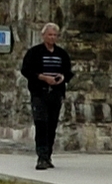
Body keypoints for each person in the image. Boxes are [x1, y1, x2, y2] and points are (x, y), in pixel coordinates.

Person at [18, 22, 74, 169]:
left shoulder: (61, 54)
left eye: (55, 35)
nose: (52, 37)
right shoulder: (34, 52)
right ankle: (41, 157)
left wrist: (62, 78)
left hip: (55, 93)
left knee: (52, 125)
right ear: (43, 36)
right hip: (40, 93)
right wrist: (42, 77)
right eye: (49, 34)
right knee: (41, 123)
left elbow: (68, 71)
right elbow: (26, 70)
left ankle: (48, 155)